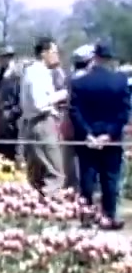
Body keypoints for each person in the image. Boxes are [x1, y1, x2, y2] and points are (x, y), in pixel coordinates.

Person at [69, 43, 131, 230]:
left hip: (87, 137)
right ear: (110, 59)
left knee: (88, 176)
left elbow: (75, 111)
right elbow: (124, 111)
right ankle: (110, 215)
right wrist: (110, 134)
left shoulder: (79, 82)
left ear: (94, 57)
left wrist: (88, 134)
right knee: (110, 178)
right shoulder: (120, 81)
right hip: (112, 138)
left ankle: (87, 215)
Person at [20, 37, 66, 195]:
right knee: (55, 173)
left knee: (37, 173)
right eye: (54, 52)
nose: (57, 56)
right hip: (42, 123)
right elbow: (39, 103)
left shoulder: (34, 71)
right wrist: (63, 94)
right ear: (44, 53)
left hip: (36, 123)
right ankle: (50, 204)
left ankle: (36, 206)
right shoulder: (38, 72)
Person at [60, 44, 94, 190]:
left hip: (68, 122)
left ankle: (72, 188)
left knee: (69, 160)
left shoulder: (69, 77)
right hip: (85, 124)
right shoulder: (87, 79)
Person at [0, 46, 22, 161]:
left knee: (11, 145)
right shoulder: (0, 74)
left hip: (11, 113)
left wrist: (14, 112)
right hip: (1, 112)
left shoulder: (16, 74)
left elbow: (19, 96)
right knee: (0, 144)